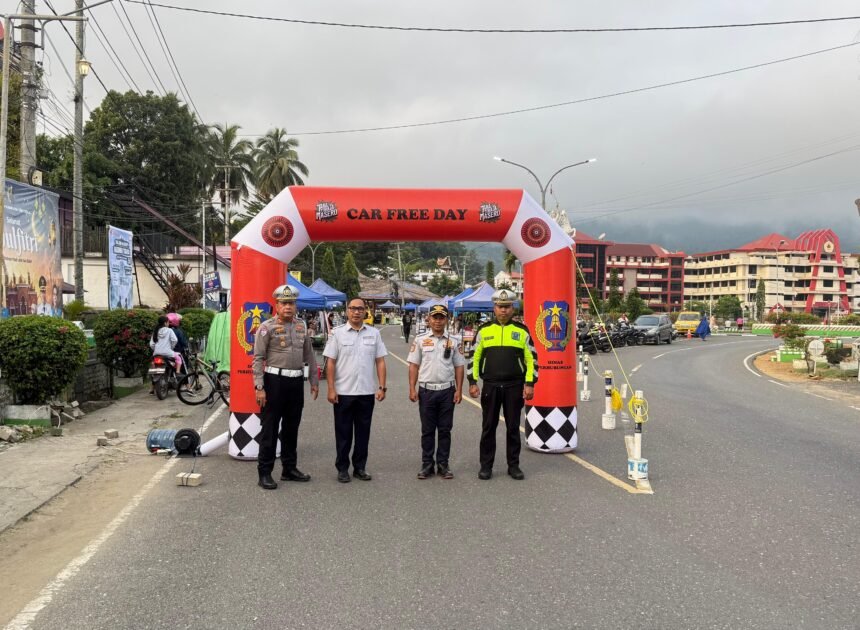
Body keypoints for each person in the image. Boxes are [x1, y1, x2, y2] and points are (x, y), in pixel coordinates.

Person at [252, 284, 319, 490]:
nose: (288, 307)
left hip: (295, 382)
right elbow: (258, 359)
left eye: (291, 303)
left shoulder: (301, 326)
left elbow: (309, 355)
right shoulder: (266, 328)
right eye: (284, 303)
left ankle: (289, 469)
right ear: (277, 305)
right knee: (270, 429)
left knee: (292, 428)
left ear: (295, 305)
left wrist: (314, 381)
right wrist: (259, 387)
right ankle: (265, 472)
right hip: (274, 383)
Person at [467, 288, 538, 481]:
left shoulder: (522, 331)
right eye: (500, 306)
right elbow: (474, 356)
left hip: (514, 386)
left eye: (507, 307)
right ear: (494, 307)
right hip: (490, 385)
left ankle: (513, 466)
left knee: (513, 428)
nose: (503, 310)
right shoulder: (483, 330)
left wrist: (530, 383)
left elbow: (531, 358)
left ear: (513, 308)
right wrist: (472, 381)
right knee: (488, 427)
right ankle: (486, 466)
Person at [324, 297, 388, 483]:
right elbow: (330, 363)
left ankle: (360, 467)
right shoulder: (337, 333)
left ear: (365, 311)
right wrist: (330, 388)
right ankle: (342, 468)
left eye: (360, 309)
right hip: (343, 393)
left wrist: (382, 387)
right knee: (343, 433)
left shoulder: (374, 334)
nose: (356, 312)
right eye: (353, 308)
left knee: (363, 433)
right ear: (347, 311)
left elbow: (380, 361)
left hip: (366, 392)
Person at [407, 304, 465, 480]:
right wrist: (412, 387)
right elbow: (414, 365)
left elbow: (459, 366)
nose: (438, 321)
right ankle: (427, 464)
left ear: (447, 320)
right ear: (429, 319)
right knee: (427, 430)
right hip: (427, 391)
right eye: (435, 317)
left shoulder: (454, 341)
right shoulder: (420, 340)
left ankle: (443, 464)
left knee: (445, 430)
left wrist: (459, 390)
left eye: (441, 317)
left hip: (447, 391)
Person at [149, 315, 179, 394]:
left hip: (156, 354)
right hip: (168, 353)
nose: (169, 324)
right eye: (168, 322)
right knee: (178, 358)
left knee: (154, 368)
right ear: (165, 323)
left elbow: (151, 344)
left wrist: (156, 350)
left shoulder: (155, 331)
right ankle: (177, 374)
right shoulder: (169, 331)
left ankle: (152, 388)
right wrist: (171, 348)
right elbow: (174, 340)